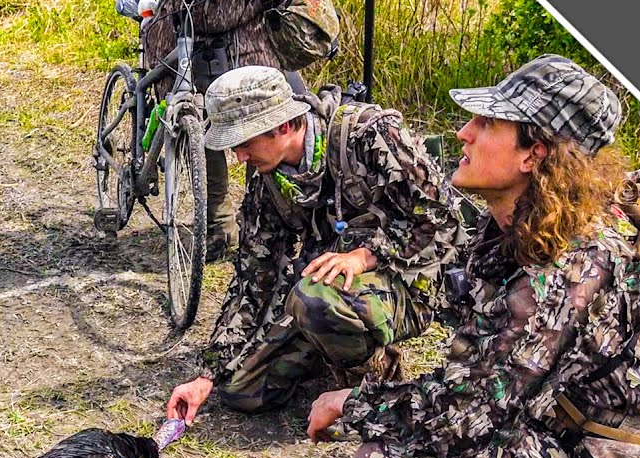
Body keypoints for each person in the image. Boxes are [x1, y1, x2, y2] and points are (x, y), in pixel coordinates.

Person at [306, 55, 640, 458]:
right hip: (539, 416)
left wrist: (352, 405)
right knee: (398, 442)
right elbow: (476, 357)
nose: (464, 132)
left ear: (534, 154)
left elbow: (467, 411)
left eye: (488, 124)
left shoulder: (568, 265)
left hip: (581, 452)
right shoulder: (513, 226)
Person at [165, 66, 464, 423]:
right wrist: (206, 375)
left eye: (244, 143)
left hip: (407, 284)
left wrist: (366, 256)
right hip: (326, 290)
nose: (240, 158)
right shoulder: (268, 182)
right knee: (241, 391)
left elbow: (442, 219)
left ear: (283, 126)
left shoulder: (370, 135)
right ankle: (329, 345)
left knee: (315, 299)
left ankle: (370, 384)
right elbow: (252, 281)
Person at [143, 1, 297, 262]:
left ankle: (251, 222)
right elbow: (209, 17)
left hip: (242, 54)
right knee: (202, 126)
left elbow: (215, 17)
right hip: (193, 52)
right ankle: (226, 223)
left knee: (260, 132)